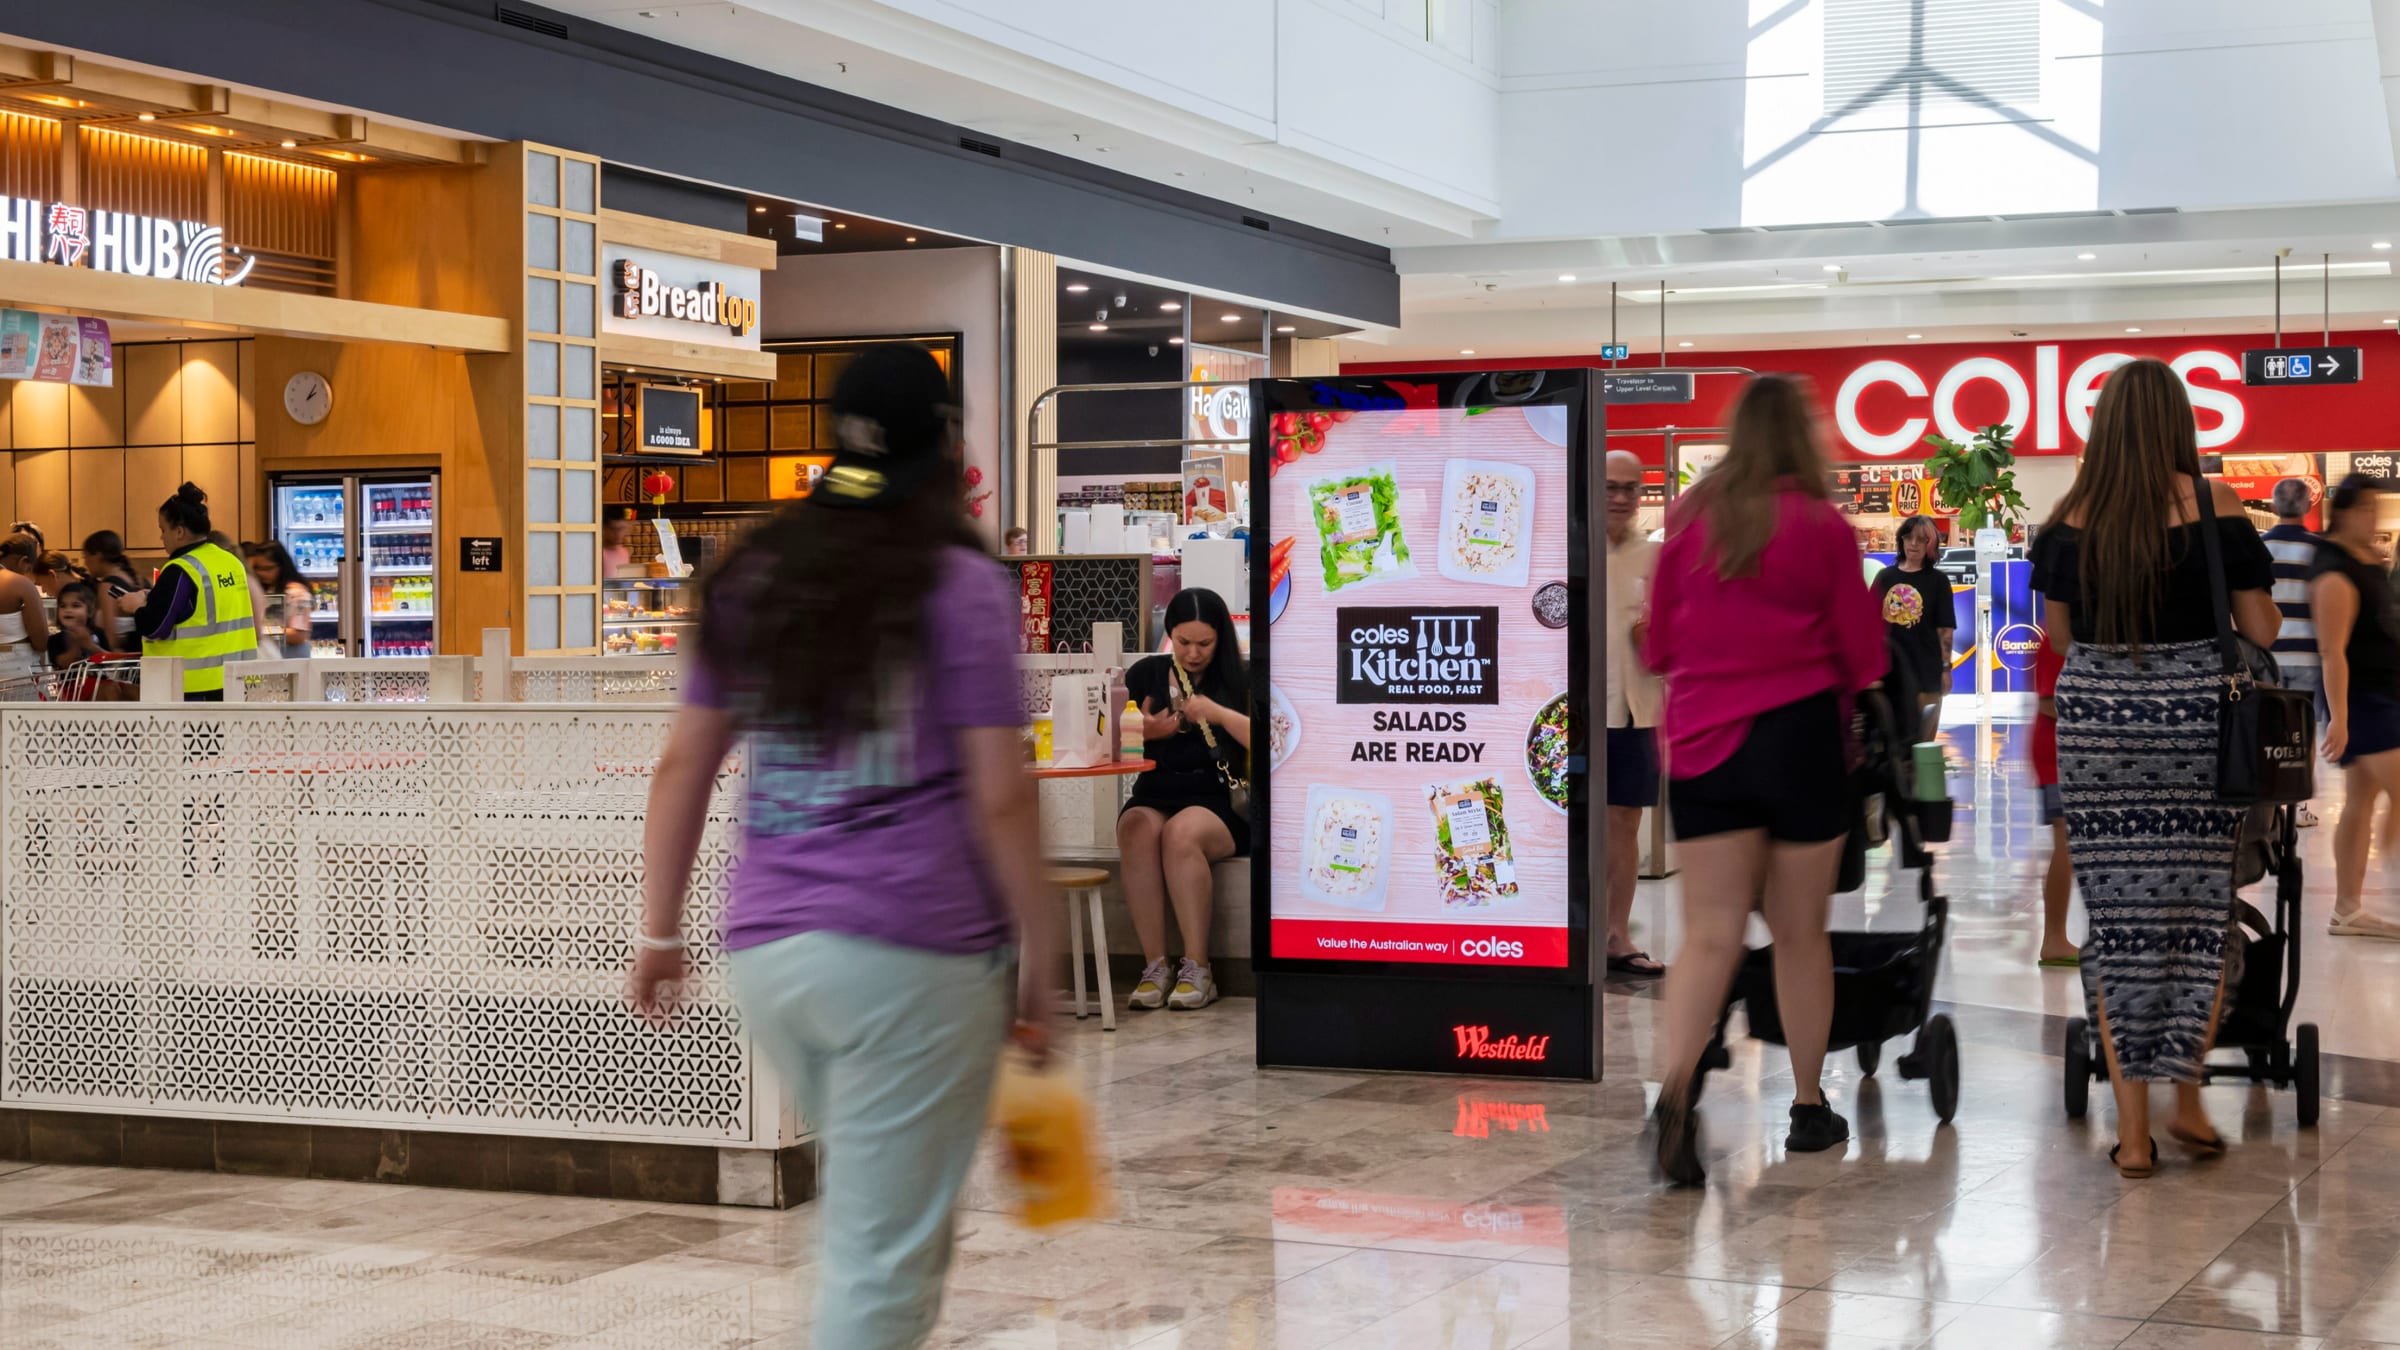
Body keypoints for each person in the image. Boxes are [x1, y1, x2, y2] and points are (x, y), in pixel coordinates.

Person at [630, 343, 1057, 1349]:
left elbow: (683, 763)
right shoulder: (958, 584)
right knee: (883, 1267)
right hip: (914, 957)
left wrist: (658, 934)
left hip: (773, 956)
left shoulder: (760, 573)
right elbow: (1002, 798)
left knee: (874, 1230)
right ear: (944, 444)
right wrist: (1041, 964)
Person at [2029, 357, 2278, 1179]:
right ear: (2178, 422)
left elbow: (2062, 637)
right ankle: (2188, 1101)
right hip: (2197, 727)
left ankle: (2133, 1138)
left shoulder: (2068, 519)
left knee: (2119, 925)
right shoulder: (2214, 504)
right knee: (2197, 916)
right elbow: (2260, 629)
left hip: (2098, 729)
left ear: (2103, 427)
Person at [1642, 374, 1887, 1186]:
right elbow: (1863, 653)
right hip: (1799, 740)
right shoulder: (1822, 525)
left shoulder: (1690, 520)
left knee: (1709, 934)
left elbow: (1660, 645)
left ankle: (1676, 1095)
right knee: (1800, 932)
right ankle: (1809, 1107)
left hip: (1703, 743)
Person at [1118, 586, 1251, 1012]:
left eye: (1204, 643)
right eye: (1183, 641)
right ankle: (1155, 966)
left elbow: (1269, 742)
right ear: (1169, 634)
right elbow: (1108, 738)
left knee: (1180, 834)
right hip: (1156, 791)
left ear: (1221, 638)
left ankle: (1198, 968)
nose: (1193, 653)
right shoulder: (1145, 674)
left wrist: (1217, 713)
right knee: (1135, 829)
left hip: (1220, 800)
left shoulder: (1241, 676)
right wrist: (1143, 732)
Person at [2310, 474, 2400, 938]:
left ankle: (2347, 907)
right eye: (2366, 508)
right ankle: (2388, 869)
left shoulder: (2367, 560)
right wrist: (2340, 719)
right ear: (2343, 513)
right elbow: (2333, 651)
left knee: (2361, 800)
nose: (2373, 517)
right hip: (2363, 699)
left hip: (2383, 693)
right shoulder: (2334, 571)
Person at [1603, 449, 1664, 978]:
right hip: (1577, 711)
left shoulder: (1656, 558)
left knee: (1626, 822)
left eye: (1630, 487)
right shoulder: (1568, 548)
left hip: (1638, 709)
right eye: (1610, 487)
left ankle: (1616, 936)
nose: (1621, 498)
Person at [134, 484, 258, 701]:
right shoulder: (231, 562)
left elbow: (155, 627)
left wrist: (136, 607)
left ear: (179, 531)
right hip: (237, 685)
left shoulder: (181, 569)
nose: (162, 538)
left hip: (192, 690)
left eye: (163, 530)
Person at [2263, 479, 2325, 827]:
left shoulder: (2261, 547)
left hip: (2268, 656)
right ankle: (2299, 808)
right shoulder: (2319, 550)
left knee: (2269, 732)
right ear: (2308, 507)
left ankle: (2270, 806)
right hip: (2308, 657)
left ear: (2273, 507)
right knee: (2305, 732)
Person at [1873, 515, 1956, 737]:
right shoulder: (1884, 577)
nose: (1914, 544)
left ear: (1932, 544)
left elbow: (1945, 629)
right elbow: (1870, 624)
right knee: (1890, 740)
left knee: (1923, 742)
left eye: (1921, 539)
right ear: (1901, 539)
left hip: (1926, 672)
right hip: (1889, 672)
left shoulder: (1938, 581)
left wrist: (1946, 668)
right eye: (1909, 537)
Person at [2029, 599, 2079, 967]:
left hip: (2067, 751)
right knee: (2066, 844)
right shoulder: (2055, 641)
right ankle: (2054, 938)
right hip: (2057, 753)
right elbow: (2049, 702)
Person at [0, 534, 52, 692]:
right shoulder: (21, 584)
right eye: (29, 569)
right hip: (15, 670)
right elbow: (41, 642)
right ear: (23, 561)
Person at [247, 541, 316, 658]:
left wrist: (263, 631)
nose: (261, 573)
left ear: (282, 566)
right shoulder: (266, 590)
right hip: (271, 656)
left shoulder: (297, 593)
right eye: (257, 568)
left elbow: (299, 635)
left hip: (292, 658)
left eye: (268, 568)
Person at [83, 529, 148, 648]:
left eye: (86, 556)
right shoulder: (139, 580)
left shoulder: (108, 586)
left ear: (97, 556)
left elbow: (111, 640)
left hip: (125, 657)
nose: (85, 563)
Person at [47, 580, 110, 670]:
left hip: (99, 679)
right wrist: (75, 645)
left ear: (90, 611)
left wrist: (91, 646)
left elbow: (109, 661)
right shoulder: (54, 640)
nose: (68, 610)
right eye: (63, 606)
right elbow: (63, 664)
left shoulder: (99, 633)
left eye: (75, 606)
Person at [603, 510, 636, 575]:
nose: (618, 534)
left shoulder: (624, 553)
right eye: (613, 529)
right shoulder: (597, 554)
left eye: (621, 529)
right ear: (605, 528)